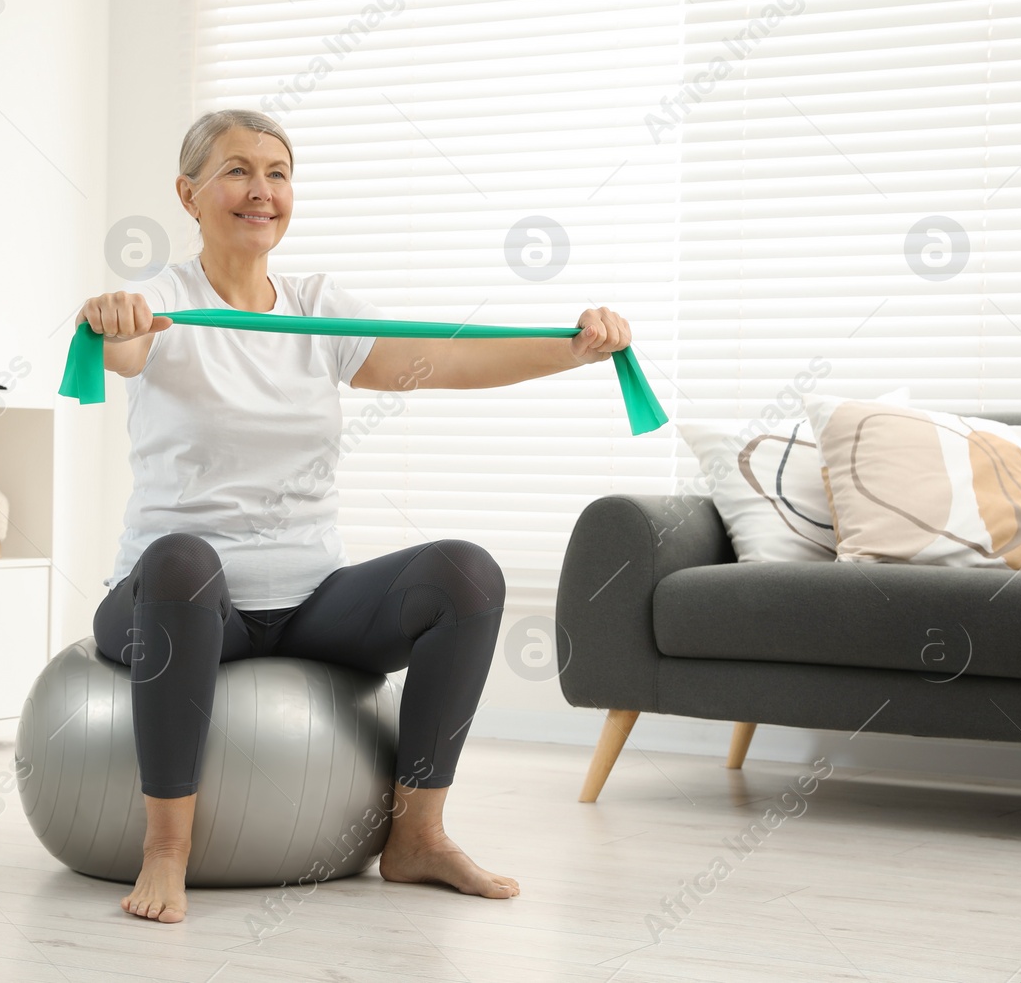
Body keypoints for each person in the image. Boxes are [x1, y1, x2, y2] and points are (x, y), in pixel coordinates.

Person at [78, 108, 632, 924]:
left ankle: (418, 837)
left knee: (465, 572)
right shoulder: (163, 300)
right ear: (188, 193)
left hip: (308, 601)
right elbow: (122, 351)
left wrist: (575, 348)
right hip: (178, 603)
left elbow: (442, 359)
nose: (262, 190)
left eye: (278, 172)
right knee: (183, 556)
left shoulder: (315, 306)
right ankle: (166, 850)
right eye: (237, 170)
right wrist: (112, 324)